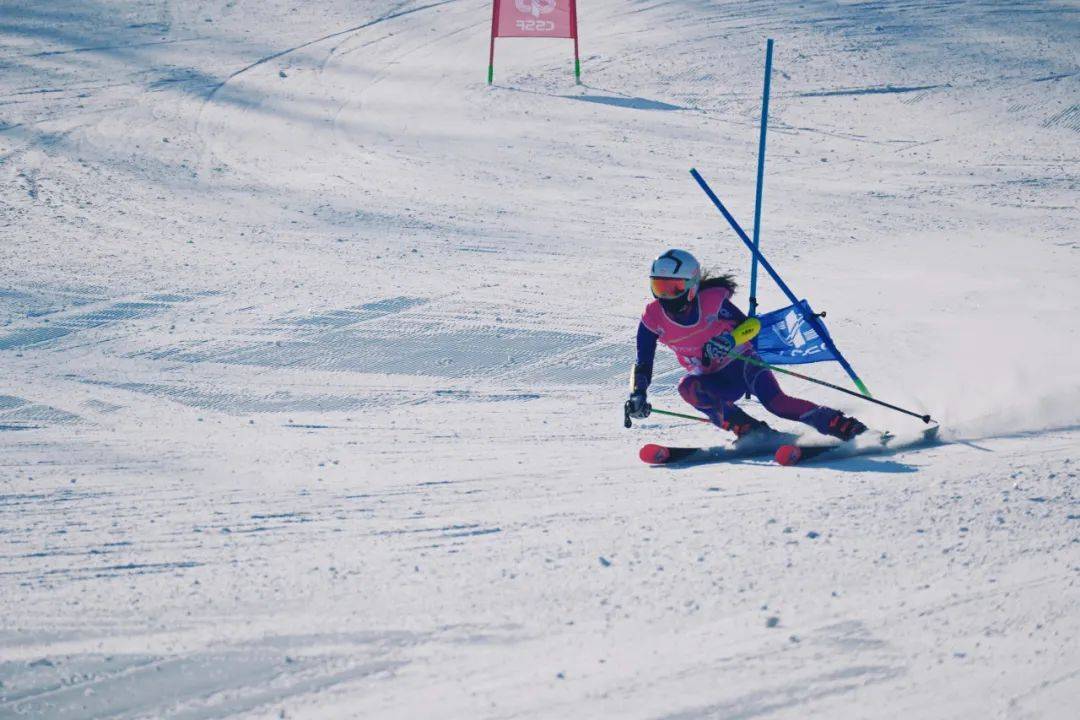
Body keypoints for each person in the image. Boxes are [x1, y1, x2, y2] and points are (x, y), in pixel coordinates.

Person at [625, 248, 866, 441]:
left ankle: (841, 425)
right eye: (659, 287)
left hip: (742, 363)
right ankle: (750, 430)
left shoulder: (711, 302)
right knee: (687, 387)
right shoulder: (652, 319)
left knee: (777, 404)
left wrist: (730, 340)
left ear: (692, 286)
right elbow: (643, 361)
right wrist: (638, 393)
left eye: (673, 288)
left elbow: (752, 326)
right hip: (714, 379)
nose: (665, 296)